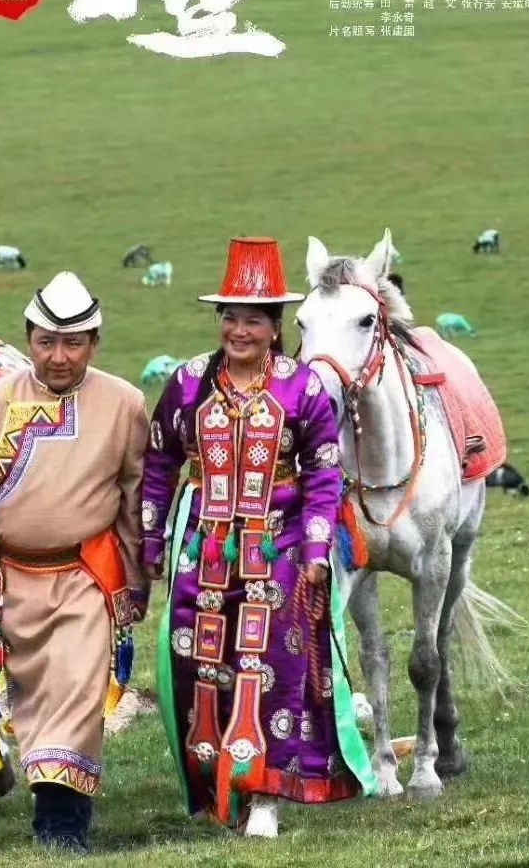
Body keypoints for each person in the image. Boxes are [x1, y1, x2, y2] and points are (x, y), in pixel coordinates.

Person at [0, 272, 150, 854]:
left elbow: (134, 497)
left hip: (87, 574)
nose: (59, 356)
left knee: (77, 692)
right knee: (34, 700)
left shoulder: (124, 403)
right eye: (46, 342)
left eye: (73, 343)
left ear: (94, 344)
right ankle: (58, 810)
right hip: (11, 582)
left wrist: (135, 580)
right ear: (29, 339)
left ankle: (62, 825)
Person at [142, 238, 377, 838]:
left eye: (253, 320)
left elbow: (325, 472)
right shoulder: (188, 383)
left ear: (275, 328)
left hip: (282, 549)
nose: (239, 331)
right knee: (200, 665)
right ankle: (222, 789)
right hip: (204, 553)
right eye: (231, 318)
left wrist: (319, 547)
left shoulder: (303, 389)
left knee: (271, 666)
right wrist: (151, 542)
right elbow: (160, 461)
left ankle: (267, 794)